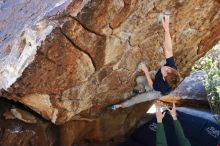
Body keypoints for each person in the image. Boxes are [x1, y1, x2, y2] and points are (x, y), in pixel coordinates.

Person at [110, 15, 181, 110]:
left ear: (164, 78)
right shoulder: (171, 67)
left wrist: (145, 71)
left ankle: (118, 106)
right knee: (139, 79)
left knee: (138, 98)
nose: (166, 68)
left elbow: (152, 85)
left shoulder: (160, 86)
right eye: (169, 68)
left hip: (157, 92)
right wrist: (167, 29)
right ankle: (141, 88)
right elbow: (168, 49)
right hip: (159, 81)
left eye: (166, 71)